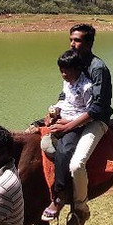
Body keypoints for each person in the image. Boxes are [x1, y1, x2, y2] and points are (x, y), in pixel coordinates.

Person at [45, 23, 113, 225]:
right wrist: (54, 112)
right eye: (71, 39)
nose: (73, 44)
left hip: (96, 121)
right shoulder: (72, 62)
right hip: (73, 116)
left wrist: (67, 127)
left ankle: (81, 208)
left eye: (78, 40)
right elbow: (65, 94)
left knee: (76, 164)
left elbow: (98, 108)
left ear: (90, 43)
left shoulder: (97, 68)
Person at [41, 50, 93, 216]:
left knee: (64, 150)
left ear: (77, 68)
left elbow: (90, 113)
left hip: (77, 125)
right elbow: (65, 99)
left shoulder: (87, 87)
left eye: (67, 71)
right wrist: (54, 111)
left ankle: (60, 194)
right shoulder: (67, 82)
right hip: (62, 118)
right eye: (61, 70)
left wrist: (68, 124)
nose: (63, 74)